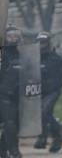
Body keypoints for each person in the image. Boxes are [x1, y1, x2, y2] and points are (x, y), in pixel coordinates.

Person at [33, 32, 62, 153]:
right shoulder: (33, 58)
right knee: (42, 113)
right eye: (39, 43)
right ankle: (56, 137)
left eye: (43, 43)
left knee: (45, 110)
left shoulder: (56, 58)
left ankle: (44, 137)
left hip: (52, 91)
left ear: (48, 43)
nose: (41, 46)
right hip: (37, 90)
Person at [0, 26, 23, 158]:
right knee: (10, 123)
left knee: (16, 124)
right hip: (4, 94)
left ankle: (2, 149)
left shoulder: (24, 54)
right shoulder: (2, 55)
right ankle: (14, 150)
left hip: (20, 96)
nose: (13, 39)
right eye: (10, 36)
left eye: (16, 36)